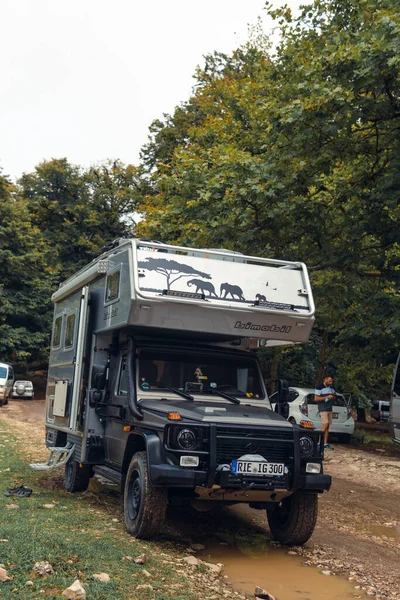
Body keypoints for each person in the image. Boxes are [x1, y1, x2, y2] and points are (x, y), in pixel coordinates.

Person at [314, 375, 336, 450]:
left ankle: (325, 443)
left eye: (331, 381)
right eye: (329, 381)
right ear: (325, 380)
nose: (331, 382)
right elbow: (316, 398)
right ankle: (319, 442)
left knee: (327, 427)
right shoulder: (319, 387)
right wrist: (326, 397)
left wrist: (333, 396)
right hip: (323, 408)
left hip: (329, 408)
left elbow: (334, 395)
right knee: (325, 424)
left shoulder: (331, 388)